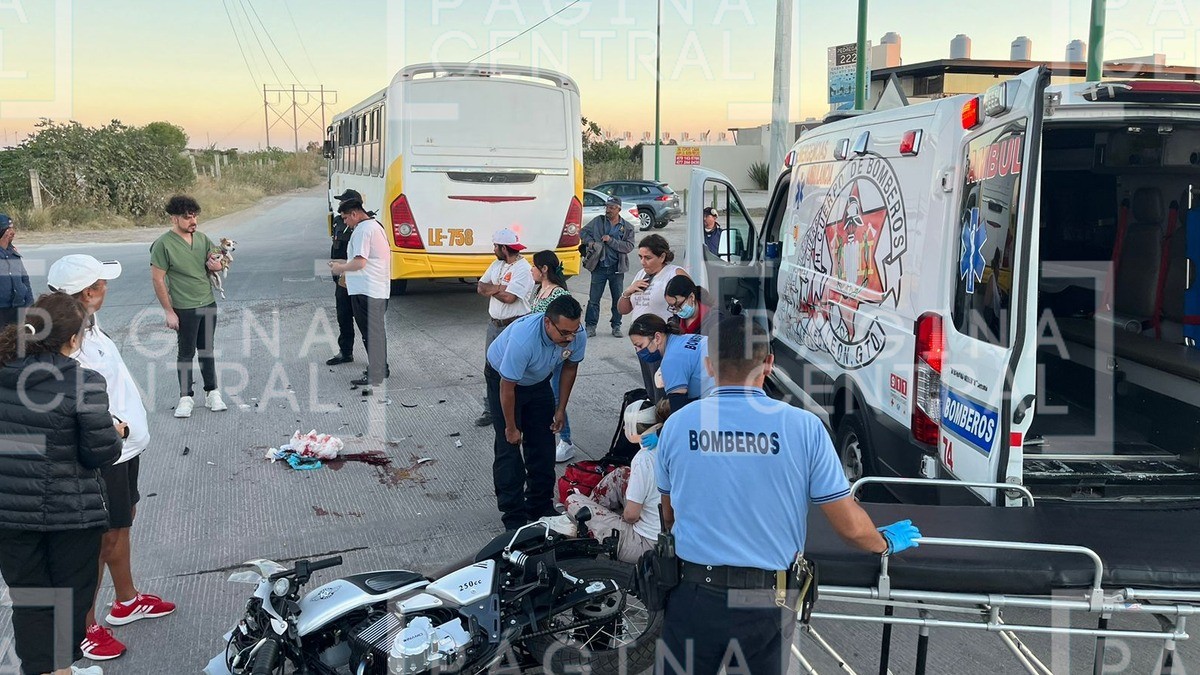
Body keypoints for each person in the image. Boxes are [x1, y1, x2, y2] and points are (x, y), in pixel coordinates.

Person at [655, 316, 921, 675]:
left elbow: (668, 515)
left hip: (692, 594)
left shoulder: (677, 425)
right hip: (765, 599)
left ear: (708, 365)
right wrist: (883, 543)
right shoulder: (803, 427)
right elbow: (848, 525)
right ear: (768, 364)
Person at [47, 255, 176, 662]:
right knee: (101, 540)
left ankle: (126, 600)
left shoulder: (89, 325)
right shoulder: (69, 342)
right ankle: (83, 628)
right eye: (102, 283)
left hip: (124, 451)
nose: (107, 288)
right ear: (88, 293)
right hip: (105, 454)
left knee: (122, 525)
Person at [0, 292, 124, 675]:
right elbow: (99, 453)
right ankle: (59, 668)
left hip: (10, 515)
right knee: (68, 599)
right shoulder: (83, 381)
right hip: (70, 513)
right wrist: (119, 431)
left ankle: (47, 669)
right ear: (73, 339)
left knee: (31, 599)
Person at [485, 295, 586, 531]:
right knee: (509, 448)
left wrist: (560, 408)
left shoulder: (575, 333)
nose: (570, 338)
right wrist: (511, 427)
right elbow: (507, 387)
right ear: (547, 323)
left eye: (574, 331)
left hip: (539, 381)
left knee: (543, 444)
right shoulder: (524, 340)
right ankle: (514, 517)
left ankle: (539, 506)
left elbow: (570, 368)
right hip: (505, 381)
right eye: (564, 333)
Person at [560, 398, 666, 563]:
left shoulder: (643, 459)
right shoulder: (672, 446)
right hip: (670, 533)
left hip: (647, 543)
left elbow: (631, 516)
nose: (624, 428)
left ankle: (587, 525)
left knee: (573, 501)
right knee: (622, 474)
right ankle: (594, 515)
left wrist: (618, 519)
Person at [149, 195, 227, 418]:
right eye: (187, 217)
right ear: (174, 219)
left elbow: (217, 262)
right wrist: (168, 311)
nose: (193, 221)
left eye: (195, 216)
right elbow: (158, 279)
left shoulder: (202, 239)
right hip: (184, 307)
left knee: (207, 351)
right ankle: (186, 397)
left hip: (207, 303)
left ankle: (213, 393)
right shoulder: (163, 245)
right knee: (185, 353)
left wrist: (217, 265)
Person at [328, 198, 391, 391]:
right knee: (374, 331)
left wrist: (341, 267)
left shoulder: (364, 230)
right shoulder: (373, 227)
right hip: (373, 288)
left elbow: (360, 262)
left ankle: (377, 371)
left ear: (355, 214)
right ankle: (380, 367)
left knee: (371, 333)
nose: (345, 222)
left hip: (368, 290)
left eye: (346, 218)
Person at [474, 228, 535, 428]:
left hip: (514, 326)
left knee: (512, 371)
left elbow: (510, 298)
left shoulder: (523, 269)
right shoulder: (496, 264)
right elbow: (480, 287)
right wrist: (499, 288)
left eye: (495, 246)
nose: (493, 249)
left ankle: (516, 410)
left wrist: (495, 289)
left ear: (503, 248)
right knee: (491, 369)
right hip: (494, 325)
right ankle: (491, 409)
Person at [617, 234, 689, 401]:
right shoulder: (641, 274)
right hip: (643, 344)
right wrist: (628, 292)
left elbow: (691, 303)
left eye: (648, 258)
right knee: (651, 390)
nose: (643, 262)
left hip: (662, 343)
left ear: (662, 256)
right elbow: (623, 309)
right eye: (640, 257)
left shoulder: (674, 273)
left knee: (664, 392)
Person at [528, 250, 576, 462]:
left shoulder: (559, 294)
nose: (531, 270)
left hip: (556, 353)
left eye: (534, 266)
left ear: (544, 269)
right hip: (540, 353)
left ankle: (565, 440)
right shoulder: (540, 290)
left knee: (557, 396)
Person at [627, 314, 714, 414]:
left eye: (639, 345)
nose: (638, 351)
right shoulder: (686, 338)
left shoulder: (670, 360)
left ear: (657, 337)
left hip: (714, 405)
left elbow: (678, 412)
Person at [580, 195, 636, 338]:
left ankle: (616, 326)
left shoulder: (627, 227)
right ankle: (590, 326)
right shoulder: (598, 221)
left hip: (616, 269)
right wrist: (590, 242)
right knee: (593, 299)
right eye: (607, 207)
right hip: (599, 267)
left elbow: (629, 246)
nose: (608, 210)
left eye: (612, 208)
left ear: (619, 209)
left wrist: (611, 241)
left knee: (618, 299)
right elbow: (583, 232)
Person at [325, 189, 364, 367]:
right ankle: (346, 352)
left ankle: (376, 361)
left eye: (344, 202)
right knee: (343, 316)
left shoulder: (363, 225)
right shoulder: (339, 221)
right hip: (341, 277)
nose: (340, 205)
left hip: (358, 277)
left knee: (364, 321)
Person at [0, 213, 34, 330]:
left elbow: (25, 278)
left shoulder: (13, 253)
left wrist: (29, 303)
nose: (12, 232)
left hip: (18, 308)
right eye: (8, 229)